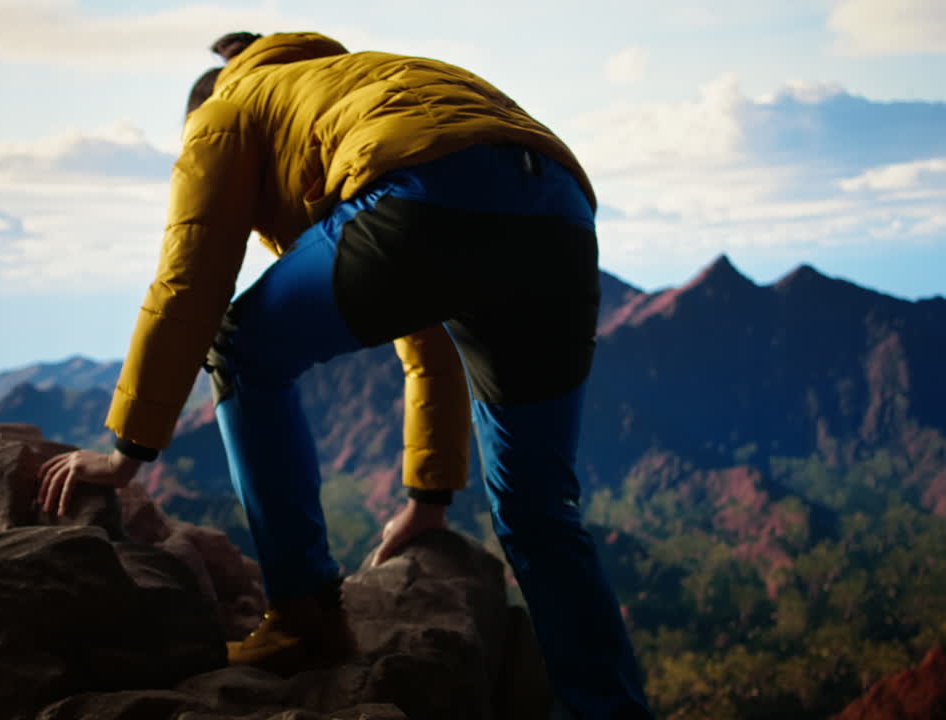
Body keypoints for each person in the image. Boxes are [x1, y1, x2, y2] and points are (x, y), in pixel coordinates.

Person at [38, 31, 653, 718]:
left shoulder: (223, 109)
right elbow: (429, 329)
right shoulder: (357, 83)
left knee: (240, 348)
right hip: (560, 216)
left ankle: (304, 618)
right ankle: (612, 711)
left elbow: (188, 284)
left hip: (427, 194)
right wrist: (429, 495)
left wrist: (127, 452)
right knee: (541, 512)